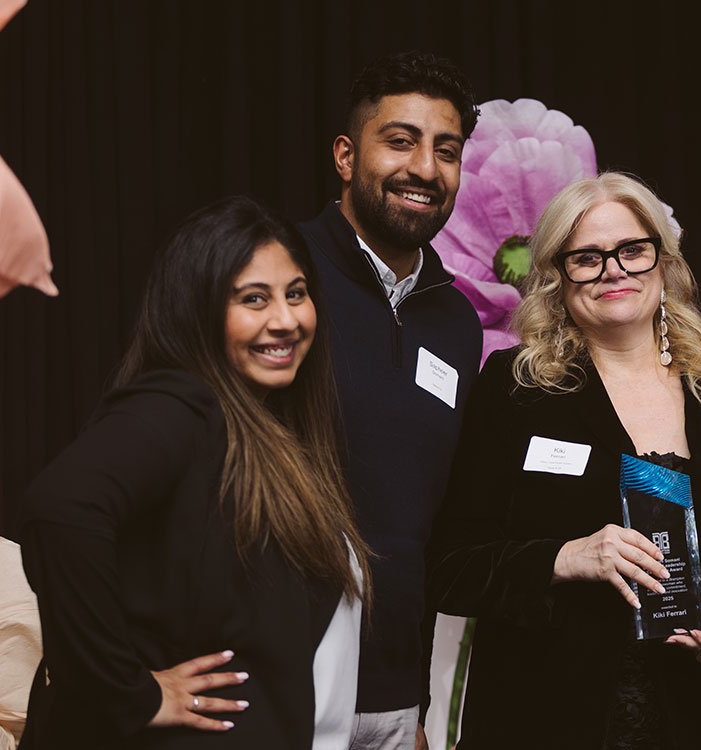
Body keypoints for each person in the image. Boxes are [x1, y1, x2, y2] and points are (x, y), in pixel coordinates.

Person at [427, 172, 701, 749]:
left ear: (663, 262)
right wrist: (566, 557)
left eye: (632, 250)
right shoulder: (517, 390)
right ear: (555, 276)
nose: (614, 270)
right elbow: (450, 568)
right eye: (587, 257)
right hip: (546, 720)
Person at [19, 196, 371, 749]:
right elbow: (62, 506)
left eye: (296, 294)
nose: (285, 320)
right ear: (198, 310)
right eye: (254, 299)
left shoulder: (268, 427)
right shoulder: (182, 404)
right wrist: (123, 690)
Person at [296, 51, 482, 750]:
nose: (426, 170)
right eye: (400, 141)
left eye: (447, 150)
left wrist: (419, 703)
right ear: (347, 156)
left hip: (396, 704)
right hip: (279, 681)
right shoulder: (281, 274)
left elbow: (433, 524)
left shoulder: (457, 322)